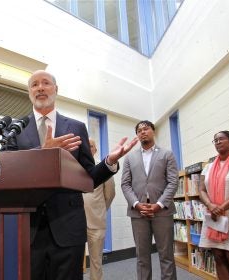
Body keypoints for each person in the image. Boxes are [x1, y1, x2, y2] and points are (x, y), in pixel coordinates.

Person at [9, 70, 138, 280]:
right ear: (29, 92)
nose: (40, 88)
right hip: (28, 227)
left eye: (46, 83)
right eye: (34, 84)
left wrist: (109, 162)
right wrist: (43, 153)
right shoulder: (17, 130)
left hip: (68, 225)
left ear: (56, 89)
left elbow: (88, 178)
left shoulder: (76, 127)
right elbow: (9, 172)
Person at [121, 120, 178, 280]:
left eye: (146, 129)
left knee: (166, 256)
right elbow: (125, 184)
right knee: (142, 257)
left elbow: (173, 181)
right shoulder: (129, 158)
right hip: (138, 213)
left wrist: (159, 204)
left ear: (153, 131)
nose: (143, 132)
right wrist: (136, 204)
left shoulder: (166, 154)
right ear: (137, 135)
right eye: (139, 130)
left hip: (162, 212)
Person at [198, 130, 229, 280]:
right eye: (215, 140)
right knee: (219, 256)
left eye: (222, 139)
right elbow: (201, 189)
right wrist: (210, 204)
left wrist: (221, 207)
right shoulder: (208, 166)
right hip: (213, 216)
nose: (218, 142)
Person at [83, 138, 115, 280]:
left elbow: (110, 194)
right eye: (85, 146)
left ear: (95, 149)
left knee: (96, 262)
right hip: (74, 222)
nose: (88, 148)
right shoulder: (73, 167)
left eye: (91, 146)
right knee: (72, 261)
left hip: (96, 222)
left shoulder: (102, 168)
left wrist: (100, 209)